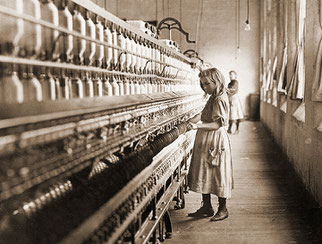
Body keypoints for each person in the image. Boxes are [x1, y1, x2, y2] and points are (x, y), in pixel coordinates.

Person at [187, 67, 233, 221]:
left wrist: (196, 126)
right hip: (206, 138)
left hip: (215, 139)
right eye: (202, 84)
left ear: (217, 81)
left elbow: (217, 124)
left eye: (207, 84)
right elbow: (203, 114)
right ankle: (206, 206)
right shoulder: (213, 96)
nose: (204, 87)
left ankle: (223, 208)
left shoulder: (220, 98)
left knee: (218, 172)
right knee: (204, 171)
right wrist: (189, 120)